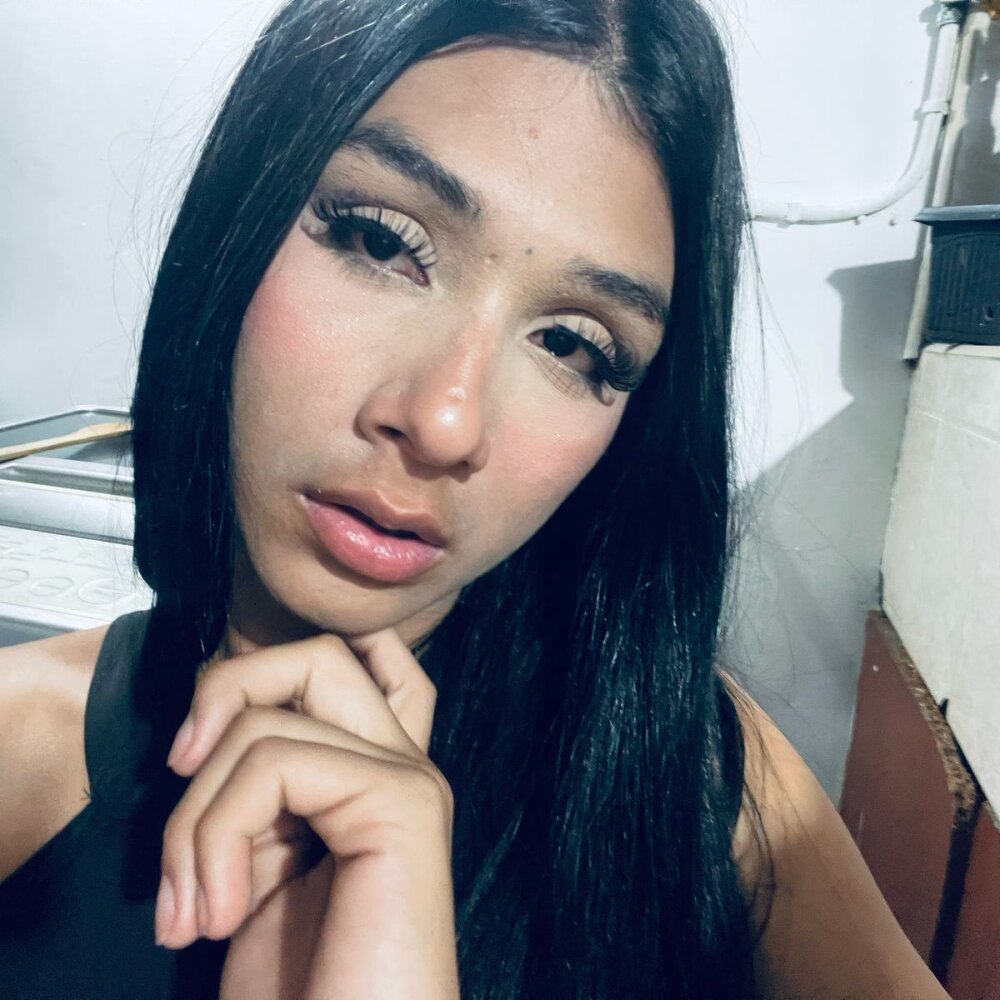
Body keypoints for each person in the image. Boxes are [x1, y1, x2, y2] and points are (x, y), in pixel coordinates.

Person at [0, 1, 951, 997]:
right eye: (380, 242)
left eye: (573, 345)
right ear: (241, 213)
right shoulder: (20, 748)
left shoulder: (691, 779)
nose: (446, 422)